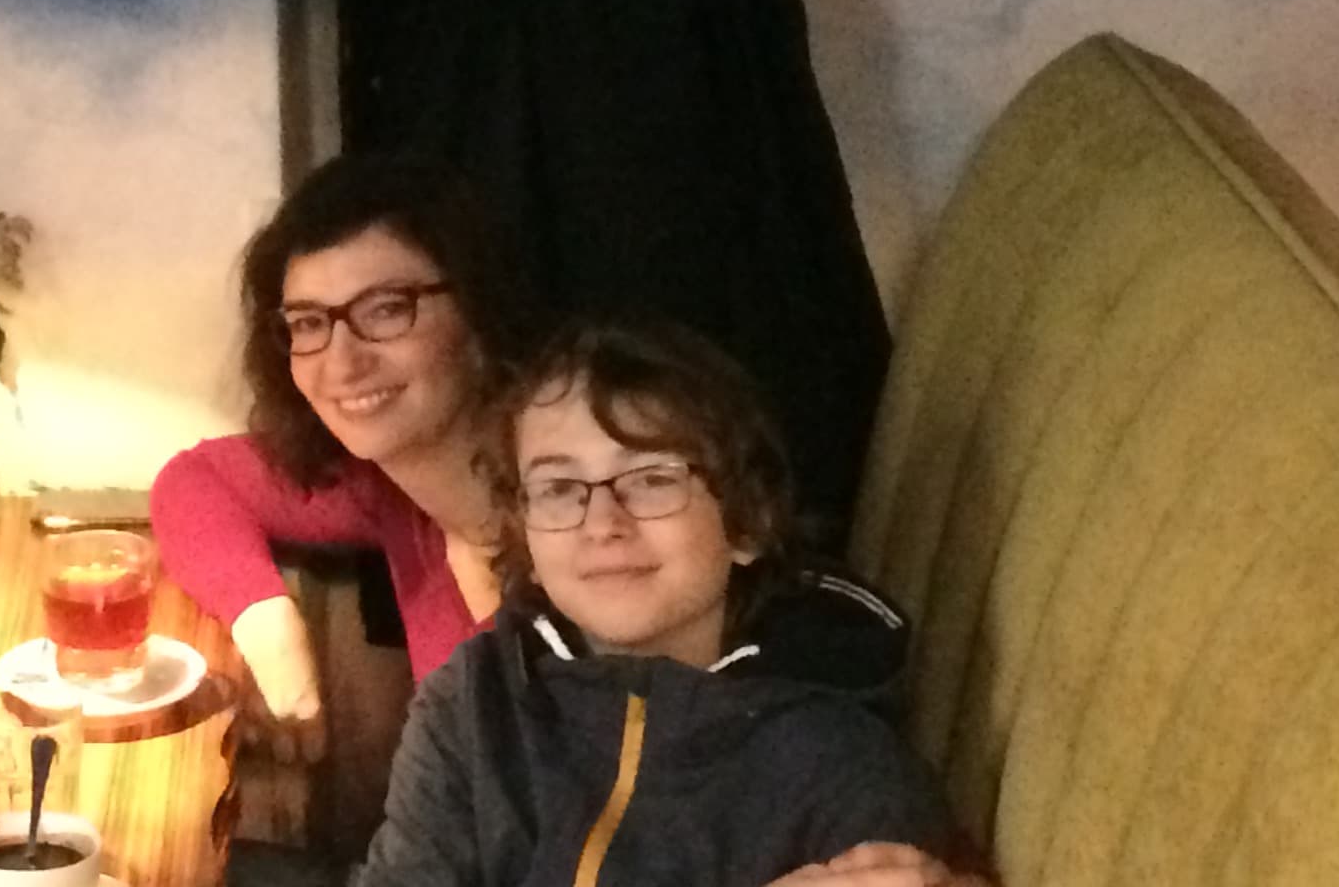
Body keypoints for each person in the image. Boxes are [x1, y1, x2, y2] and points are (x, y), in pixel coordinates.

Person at [345, 318, 980, 887]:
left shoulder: (838, 760)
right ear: (525, 534)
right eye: (560, 488)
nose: (603, 523)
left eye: (652, 480)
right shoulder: (473, 706)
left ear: (746, 522)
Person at [152, 154, 543, 743]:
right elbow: (195, 481)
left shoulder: (582, 533)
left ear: (480, 311)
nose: (342, 362)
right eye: (309, 322)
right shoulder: (395, 490)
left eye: (386, 310)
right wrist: (271, 634)